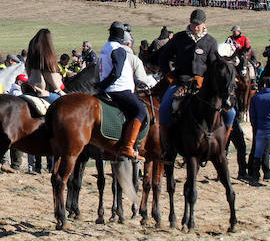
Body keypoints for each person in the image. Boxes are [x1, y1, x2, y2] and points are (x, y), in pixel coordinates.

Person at [158, 9, 235, 129]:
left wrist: (206, 80)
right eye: (193, 23)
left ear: (204, 23)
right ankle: (165, 143)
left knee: (231, 113)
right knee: (163, 109)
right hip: (180, 82)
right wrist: (169, 75)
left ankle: (225, 140)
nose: (195, 27)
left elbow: (214, 66)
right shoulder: (179, 38)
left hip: (203, 85)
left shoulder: (210, 42)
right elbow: (163, 58)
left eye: (198, 24)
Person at [97, 21, 147, 159]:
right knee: (141, 111)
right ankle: (127, 147)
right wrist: (105, 84)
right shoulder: (118, 49)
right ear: (122, 35)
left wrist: (101, 86)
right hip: (119, 89)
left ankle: (109, 147)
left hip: (107, 90)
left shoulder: (104, 47)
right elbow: (117, 73)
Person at [25, 29, 64, 102]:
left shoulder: (31, 58)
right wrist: (59, 89)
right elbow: (52, 79)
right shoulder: (47, 58)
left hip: (30, 89)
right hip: (43, 92)